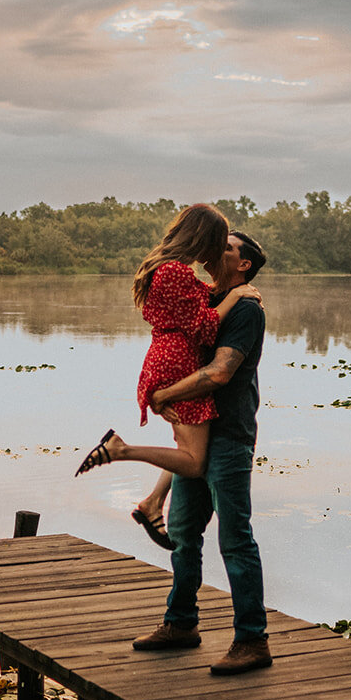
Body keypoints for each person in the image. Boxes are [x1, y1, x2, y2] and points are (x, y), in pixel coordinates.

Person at [131, 229, 272, 675]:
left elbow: (220, 372)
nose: (216, 251)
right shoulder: (209, 298)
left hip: (228, 435)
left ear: (243, 264)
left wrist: (164, 393)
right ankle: (180, 624)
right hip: (198, 431)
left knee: (235, 540)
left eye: (226, 248)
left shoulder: (246, 309)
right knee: (183, 532)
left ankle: (252, 640)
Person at [75, 204, 260, 494]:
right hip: (178, 359)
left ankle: (151, 503)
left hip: (164, 355)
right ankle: (121, 450)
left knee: (186, 449)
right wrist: (236, 294)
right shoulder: (175, 271)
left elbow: (196, 298)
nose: (217, 251)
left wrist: (223, 291)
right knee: (193, 462)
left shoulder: (164, 267)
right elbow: (204, 324)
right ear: (204, 238)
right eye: (218, 242)